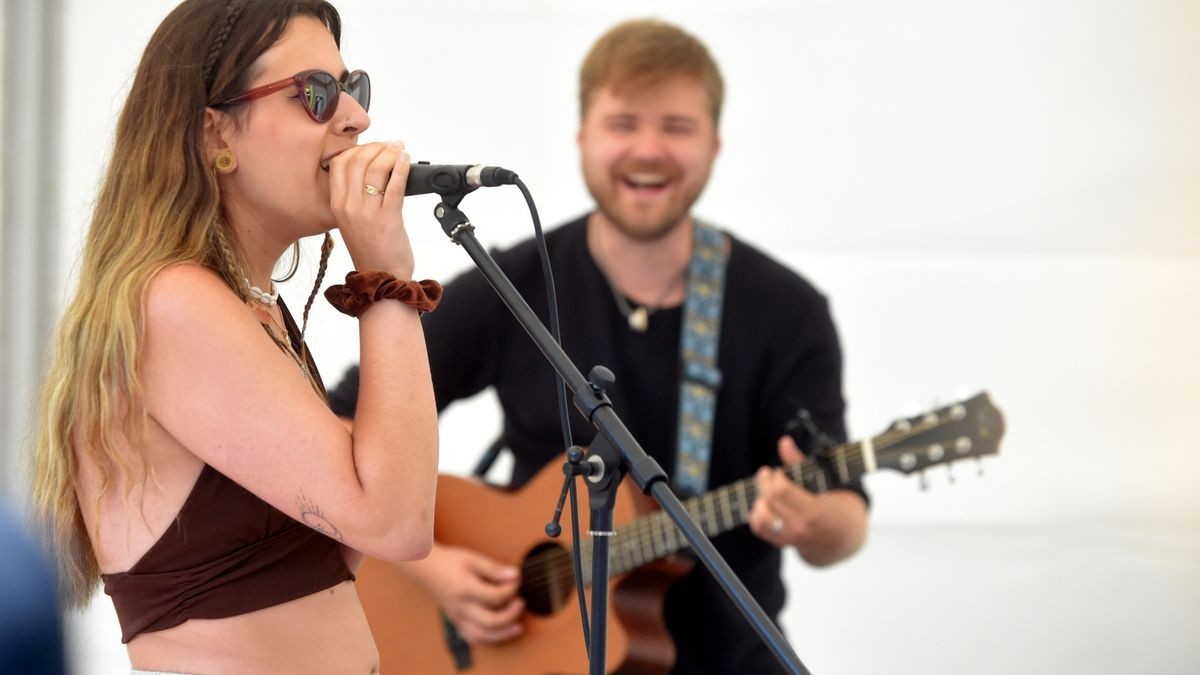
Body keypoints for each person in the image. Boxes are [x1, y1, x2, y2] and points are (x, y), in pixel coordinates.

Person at [331, 18, 869, 675]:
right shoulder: (514, 284)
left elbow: (847, 522)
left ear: (715, 143)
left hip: (729, 660)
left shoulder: (786, 310)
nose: (648, 150)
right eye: (623, 124)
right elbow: (338, 430)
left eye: (676, 126)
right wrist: (424, 561)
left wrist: (815, 520)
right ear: (583, 136)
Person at [29, 1, 439, 672]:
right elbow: (396, 522)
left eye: (352, 87)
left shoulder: (252, 310)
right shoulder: (172, 304)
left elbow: (352, 533)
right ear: (216, 133)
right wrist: (387, 277)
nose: (357, 118)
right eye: (316, 93)